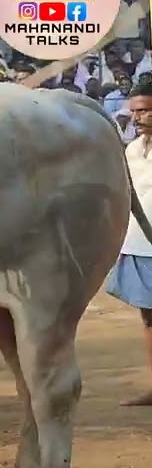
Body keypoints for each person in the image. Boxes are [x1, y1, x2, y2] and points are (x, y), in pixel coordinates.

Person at [107, 81, 152, 406]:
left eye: (146, 110)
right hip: (139, 244)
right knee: (149, 319)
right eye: (135, 111)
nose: (139, 117)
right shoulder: (132, 149)